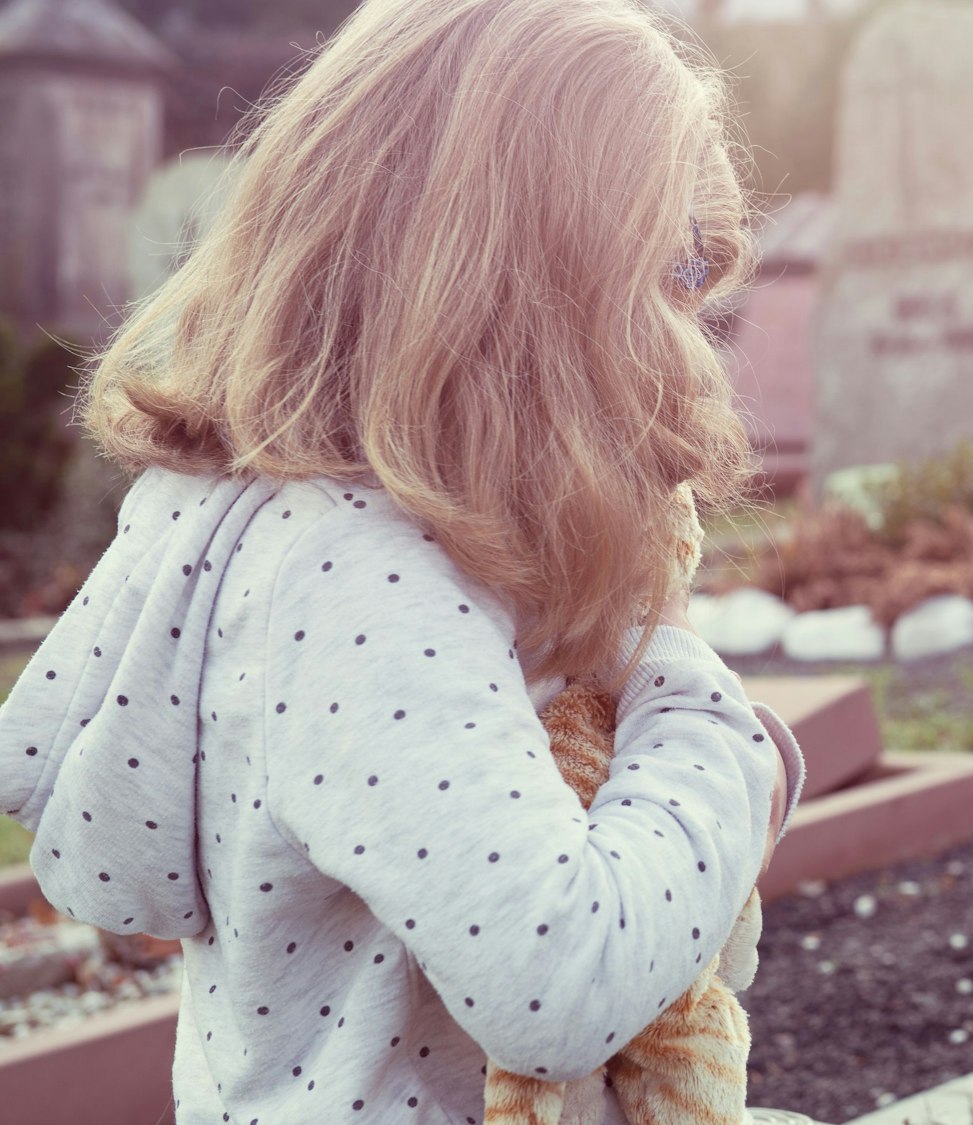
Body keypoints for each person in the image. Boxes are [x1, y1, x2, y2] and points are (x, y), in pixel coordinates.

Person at [0, 1, 803, 1121]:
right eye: (675, 270)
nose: (686, 337)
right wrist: (689, 696)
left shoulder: (265, 520)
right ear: (546, 277)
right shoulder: (358, 577)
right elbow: (561, 985)